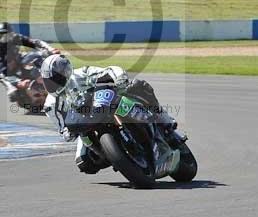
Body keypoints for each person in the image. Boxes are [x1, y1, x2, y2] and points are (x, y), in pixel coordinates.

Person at [40, 54, 177, 175]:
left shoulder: (81, 74)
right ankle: (118, 158)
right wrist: (67, 132)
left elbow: (110, 70)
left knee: (140, 86)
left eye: (56, 78)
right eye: (48, 81)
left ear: (66, 72)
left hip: (105, 103)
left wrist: (119, 78)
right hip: (84, 122)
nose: (52, 84)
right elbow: (62, 128)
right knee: (84, 162)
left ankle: (166, 121)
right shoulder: (50, 105)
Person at [0, 22, 58, 102]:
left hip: (18, 60)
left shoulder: (15, 38)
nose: (6, 39)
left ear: (12, 34)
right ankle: (14, 88)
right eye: (3, 37)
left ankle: (50, 73)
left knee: (37, 55)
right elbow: (4, 70)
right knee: (13, 93)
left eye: (8, 36)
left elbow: (34, 43)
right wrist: (18, 82)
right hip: (8, 71)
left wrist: (50, 49)